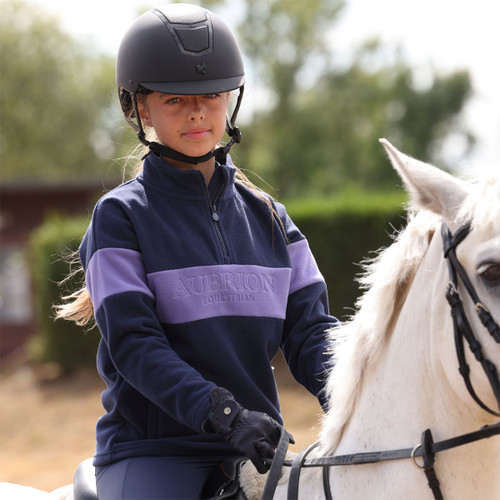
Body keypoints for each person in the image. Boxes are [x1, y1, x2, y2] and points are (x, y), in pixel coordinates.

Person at [56, 3, 339, 499]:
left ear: (230, 98)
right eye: (174, 99)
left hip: (258, 448)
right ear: (140, 108)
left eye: (210, 95)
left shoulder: (272, 218)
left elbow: (313, 334)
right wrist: (224, 414)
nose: (197, 111)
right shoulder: (119, 218)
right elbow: (135, 347)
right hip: (157, 452)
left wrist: (362, 394)